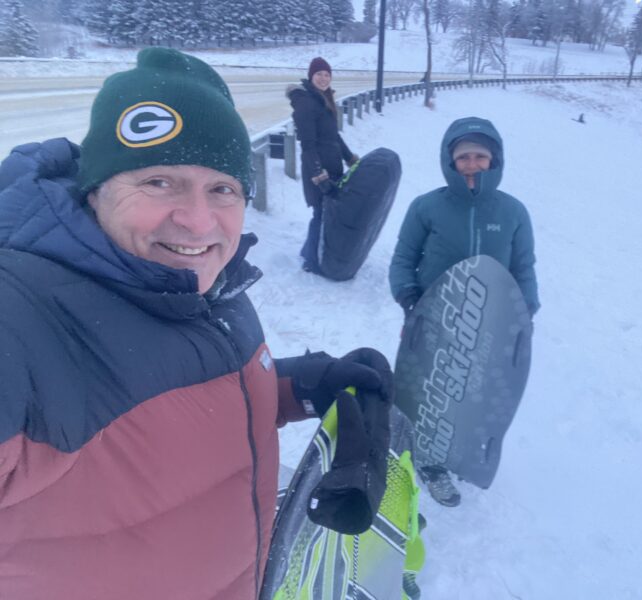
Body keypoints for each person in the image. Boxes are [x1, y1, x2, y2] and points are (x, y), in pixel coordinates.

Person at [0, 48, 391, 600]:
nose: (198, 220)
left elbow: (166, 397)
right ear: (96, 188)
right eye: (159, 181)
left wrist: (298, 386)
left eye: (222, 189)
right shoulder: (21, 317)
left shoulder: (201, 282)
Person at [388, 116, 540, 507]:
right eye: (463, 157)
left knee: (473, 392)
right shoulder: (427, 207)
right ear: (449, 160)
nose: (471, 164)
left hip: (489, 323)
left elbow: (524, 268)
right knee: (428, 388)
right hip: (431, 315)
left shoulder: (513, 212)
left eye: (480, 156)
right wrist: (409, 299)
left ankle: (460, 454)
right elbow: (403, 259)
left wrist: (525, 316)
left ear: (495, 160)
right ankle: (423, 459)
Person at [287, 57, 359, 273]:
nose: (323, 78)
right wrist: (319, 175)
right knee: (320, 214)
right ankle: (311, 260)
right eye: (319, 74)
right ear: (311, 76)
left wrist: (350, 159)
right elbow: (308, 145)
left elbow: (333, 136)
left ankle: (308, 251)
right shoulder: (306, 102)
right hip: (317, 168)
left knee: (326, 213)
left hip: (332, 165)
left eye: (327, 74)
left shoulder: (323, 99)